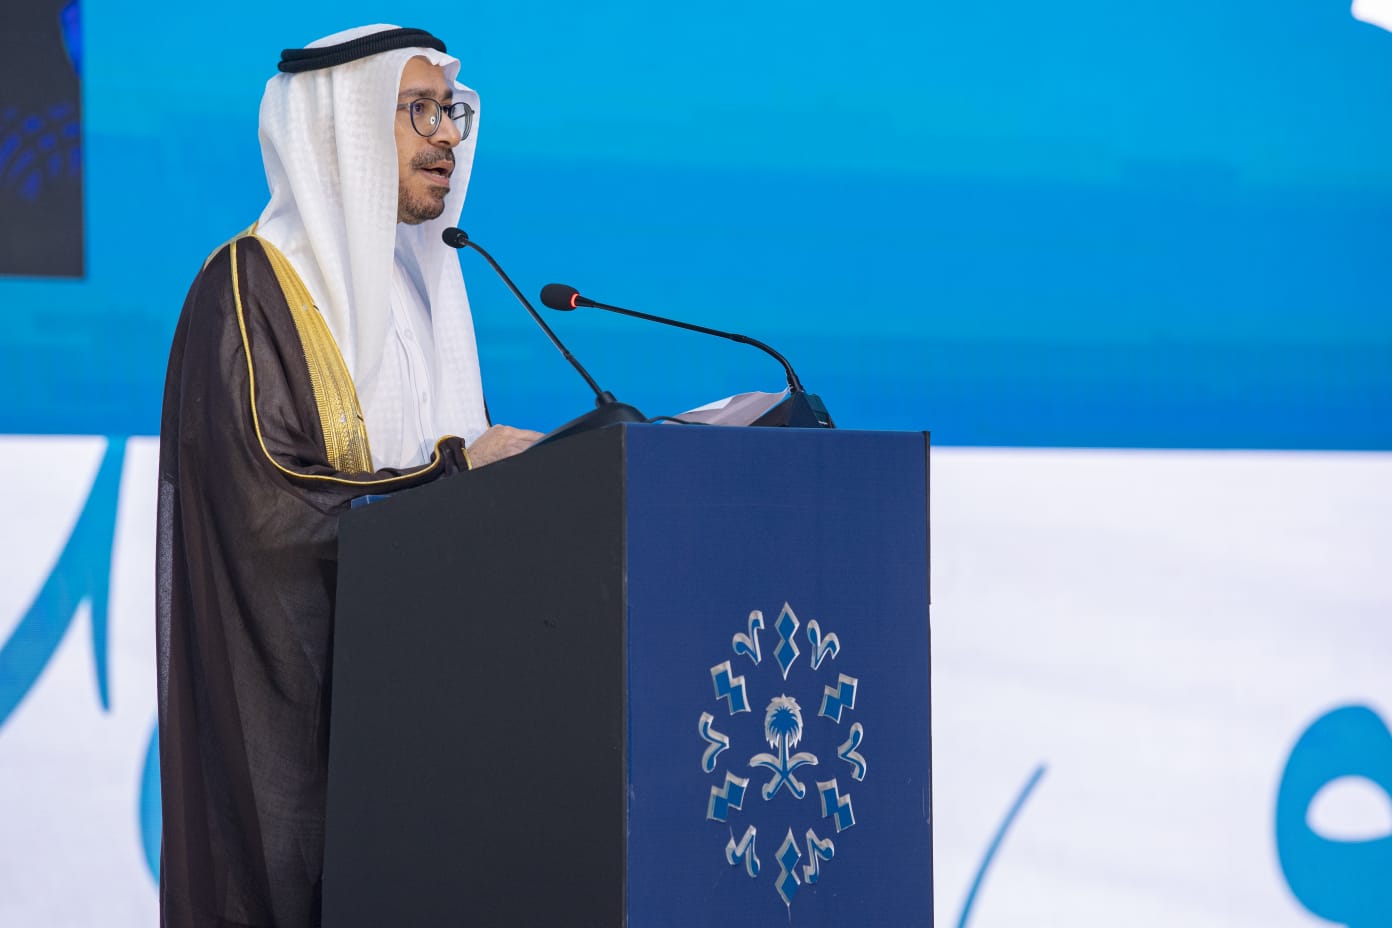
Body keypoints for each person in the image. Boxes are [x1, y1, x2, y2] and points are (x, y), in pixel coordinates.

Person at [155, 25, 540, 927]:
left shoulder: (426, 287)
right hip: (301, 736)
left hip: (430, 718)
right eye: (418, 111)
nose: (446, 136)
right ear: (345, 125)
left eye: (451, 112)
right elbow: (266, 513)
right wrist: (455, 474)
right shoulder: (250, 287)